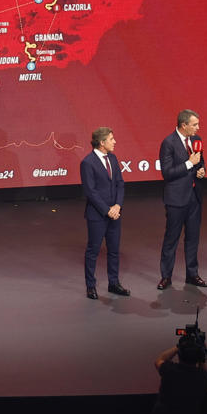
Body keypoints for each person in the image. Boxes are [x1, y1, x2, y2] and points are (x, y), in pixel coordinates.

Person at [158, 109, 207, 289]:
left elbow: (200, 161)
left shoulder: (196, 140)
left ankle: (192, 274)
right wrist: (190, 164)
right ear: (184, 125)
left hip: (194, 197)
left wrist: (201, 170)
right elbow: (167, 173)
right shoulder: (169, 143)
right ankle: (166, 277)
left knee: (193, 238)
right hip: (176, 199)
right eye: (195, 124)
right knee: (171, 238)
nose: (198, 127)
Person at [80, 126, 130, 300]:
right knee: (93, 251)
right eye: (111, 139)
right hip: (97, 215)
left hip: (114, 214)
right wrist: (107, 210)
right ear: (102, 143)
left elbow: (120, 184)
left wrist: (117, 205)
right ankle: (90, 286)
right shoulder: (87, 162)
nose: (114, 141)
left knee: (114, 250)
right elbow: (90, 191)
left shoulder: (113, 159)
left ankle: (113, 283)